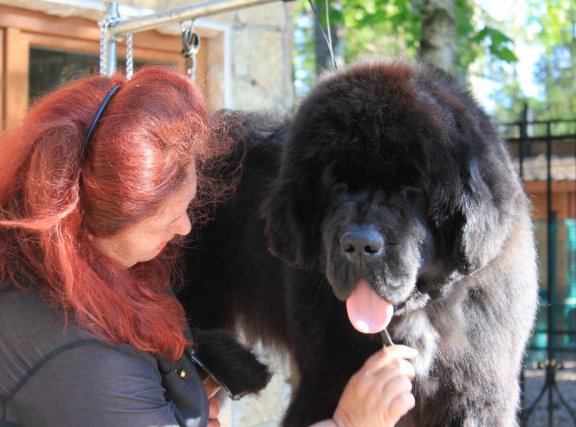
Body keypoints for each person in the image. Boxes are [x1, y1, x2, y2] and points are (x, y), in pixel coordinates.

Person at [0, 66, 416, 427]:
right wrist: (348, 422)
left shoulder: (83, 269)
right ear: (103, 220)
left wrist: (181, 404)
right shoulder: (81, 361)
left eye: (186, 208)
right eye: (168, 218)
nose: (183, 229)